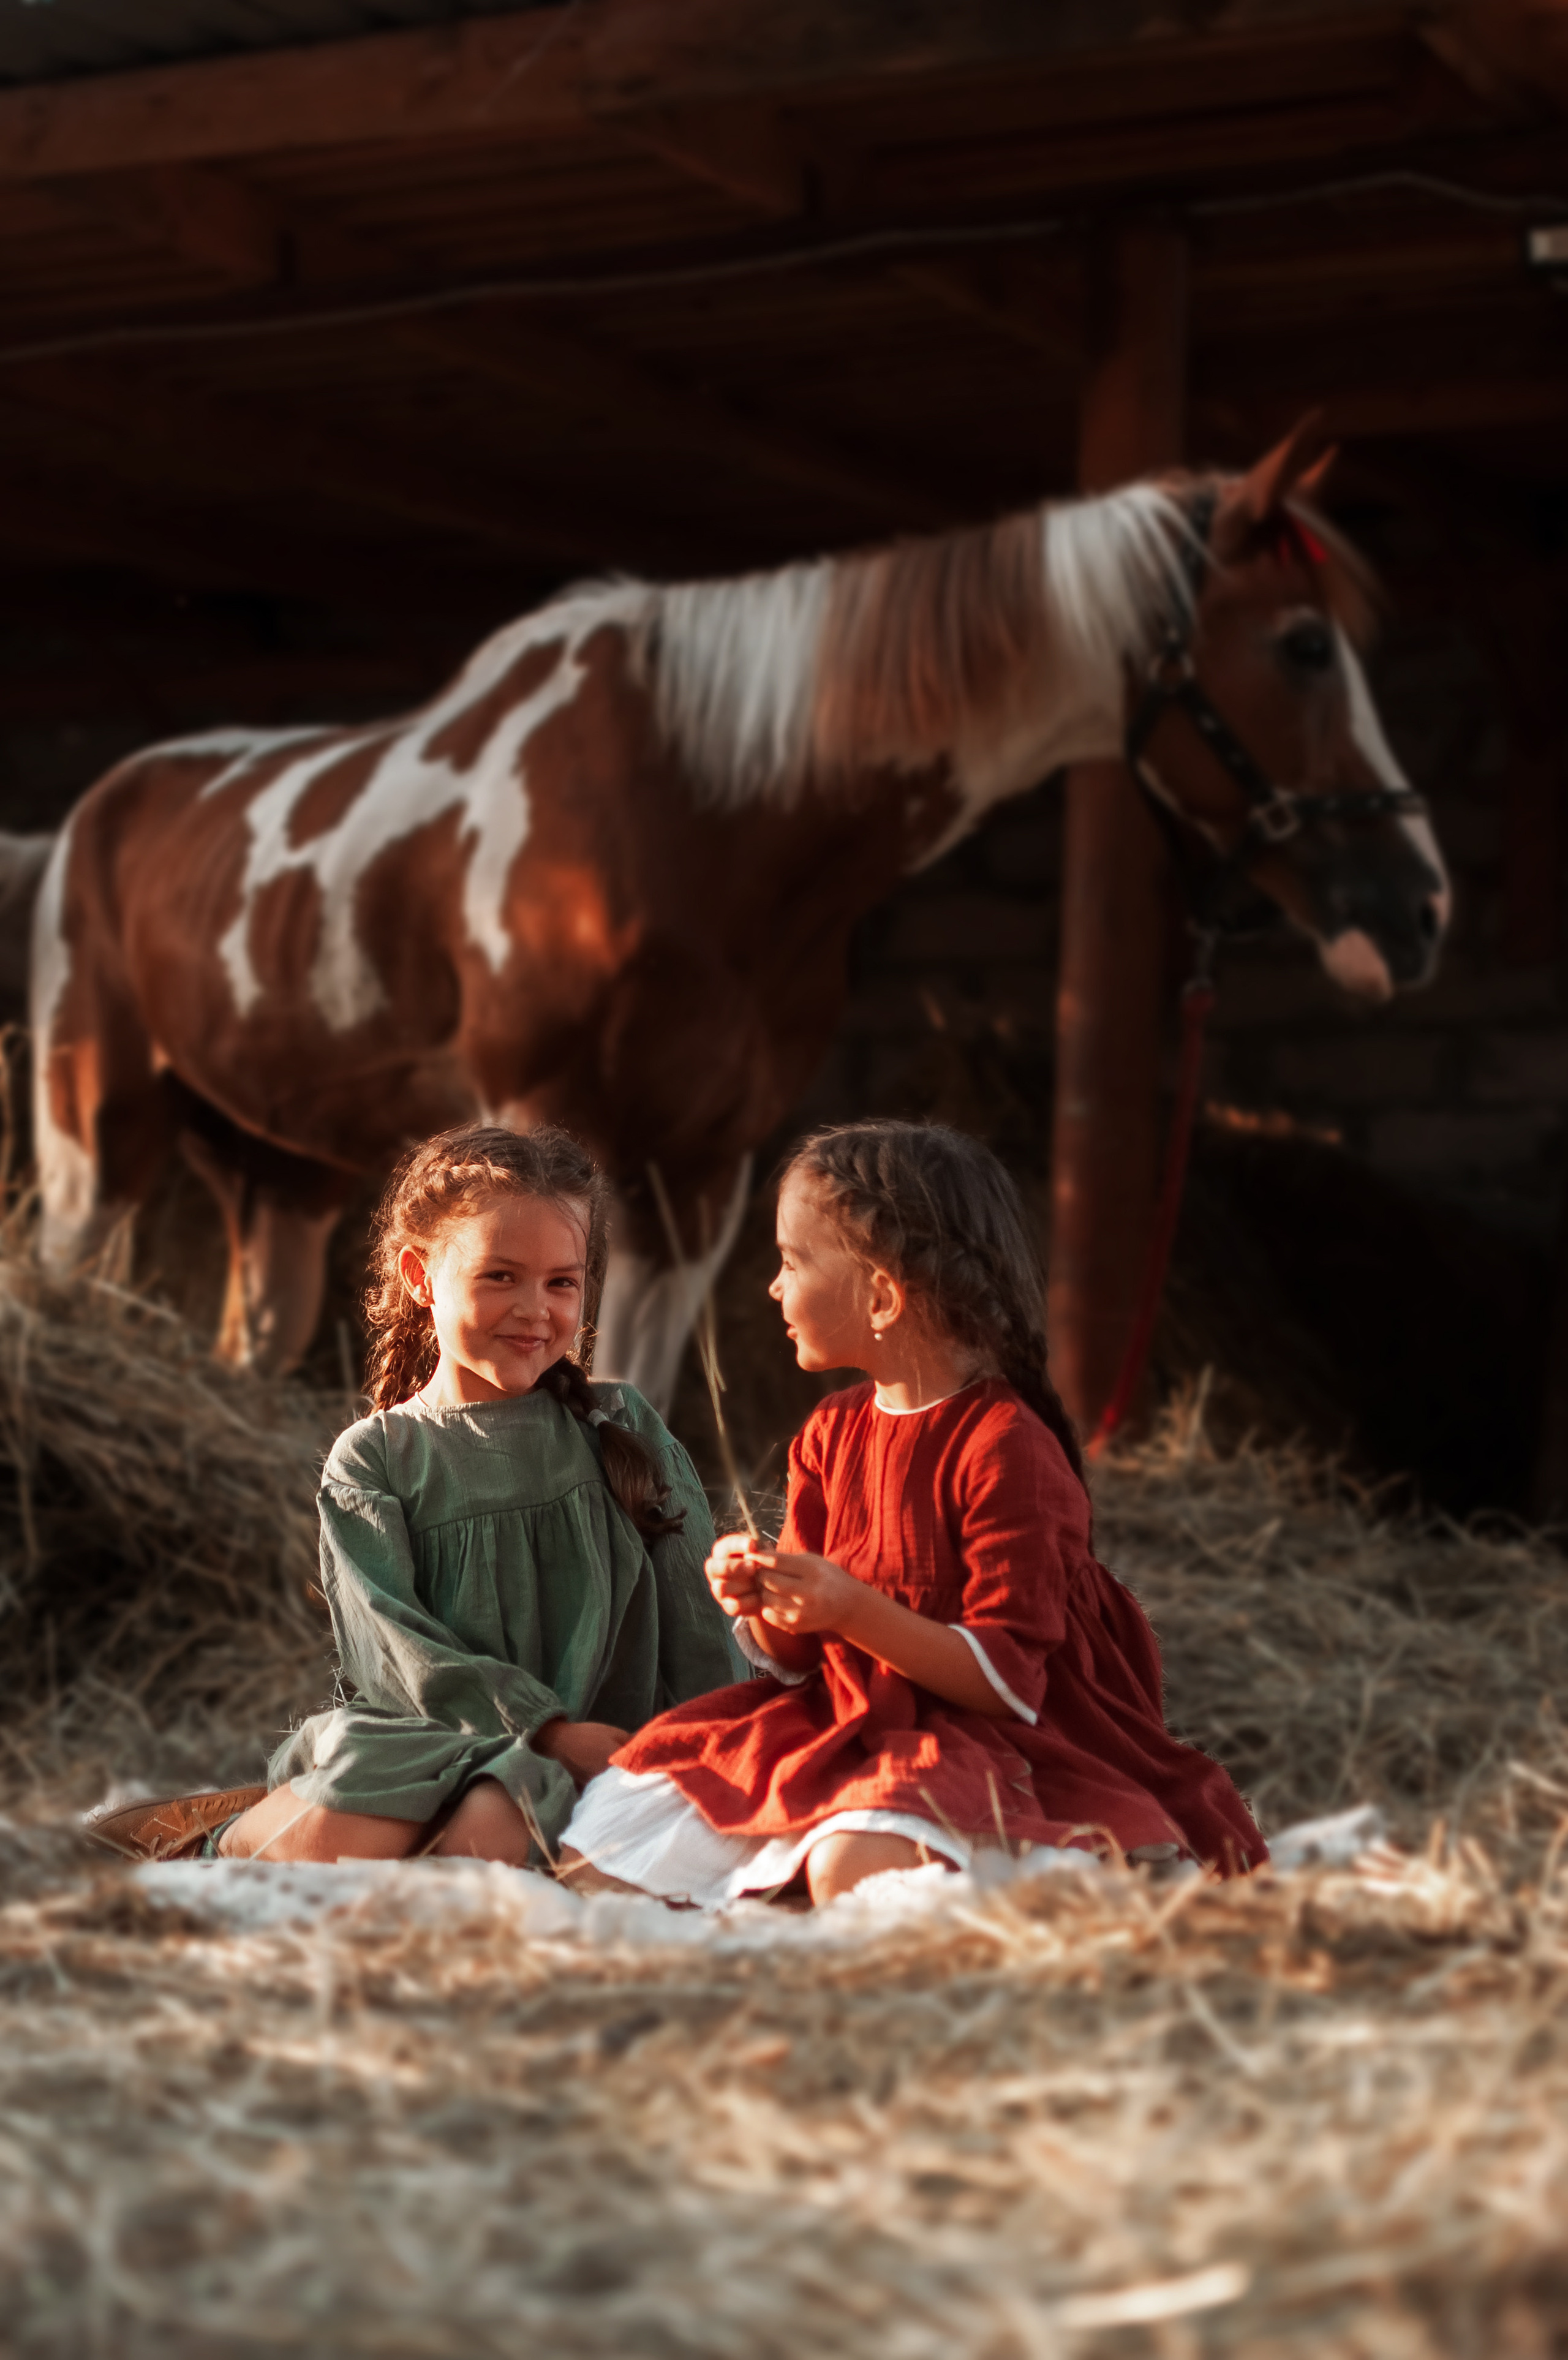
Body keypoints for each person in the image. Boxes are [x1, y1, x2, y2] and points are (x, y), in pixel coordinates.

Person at [560, 1119, 1264, 1907]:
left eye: (791, 1262)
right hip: (849, 1722)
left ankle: (1028, 1875)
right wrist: (765, 1600)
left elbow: (1007, 1683)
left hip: (993, 1741)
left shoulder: (1007, 1447)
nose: (772, 1286)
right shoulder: (832, 1432)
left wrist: (851, 1607)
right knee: (610, 1846)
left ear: (883, 1296)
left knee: (855, 1877)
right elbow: (801, 1653)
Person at [97, 1122, 739, 1867]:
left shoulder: (623, 1426)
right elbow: (396, 1654)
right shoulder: (375, 1459)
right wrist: (548, 1730)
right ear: (420, 1275)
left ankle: (325, 1839)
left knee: (501, 1825)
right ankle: (214, 1844)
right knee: (373, 1810)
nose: (537, 1309)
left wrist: (715, 1746)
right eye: (500, 1276)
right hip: (431, 1739)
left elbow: (699, 1623)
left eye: (562, 1281)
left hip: (605, 1754)